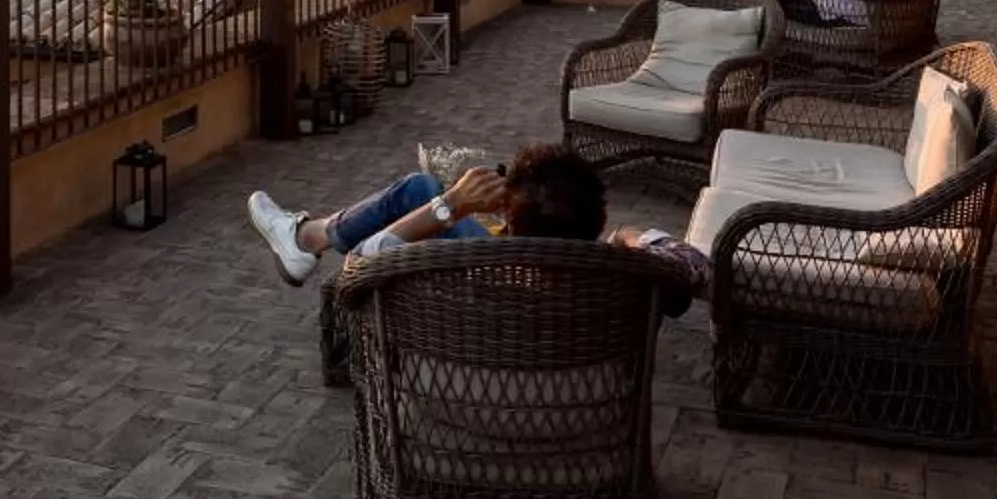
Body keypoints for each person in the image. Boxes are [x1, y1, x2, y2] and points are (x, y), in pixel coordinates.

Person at [243, 141, 707, 312]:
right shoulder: (621, 284)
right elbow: (694, 268)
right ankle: (307, 238)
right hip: (580, 421)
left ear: (506, 218)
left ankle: (307, 239)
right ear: (598, 218)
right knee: (419, 188)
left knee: (420, 188)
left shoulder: (470, 276)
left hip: (455, 406)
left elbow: (362, 267)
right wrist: (630, 237)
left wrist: (449, 206)